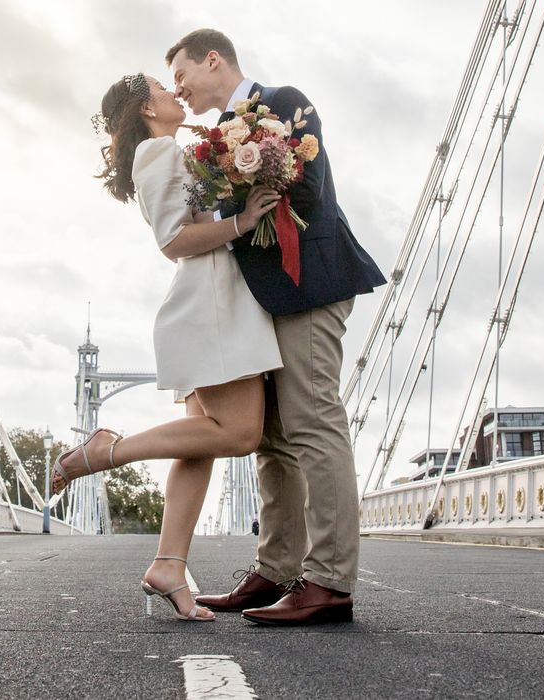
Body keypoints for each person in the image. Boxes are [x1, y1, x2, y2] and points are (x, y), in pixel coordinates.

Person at [164, 29, 387, 626]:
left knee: (313, 420)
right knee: (273, 438)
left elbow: (306, 187)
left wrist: (237, 179)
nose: (179, 88)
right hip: (262, 302)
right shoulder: (208, 142)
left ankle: (330, 582)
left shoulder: (284, 100)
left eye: (181, 73)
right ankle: (278, 567)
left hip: (310, 283)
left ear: (214, 59)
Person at [51, 72, 284, 622]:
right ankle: (105, 450)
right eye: (162, 86)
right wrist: (244, 220)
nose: (173, 92)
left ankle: (168, 566)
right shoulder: (157, 152)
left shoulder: (177, 150)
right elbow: (174, 241)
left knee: (198, 446)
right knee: (242, 433)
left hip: (215, 303)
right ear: (145, 109)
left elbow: (196, 219)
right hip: (211, 306)